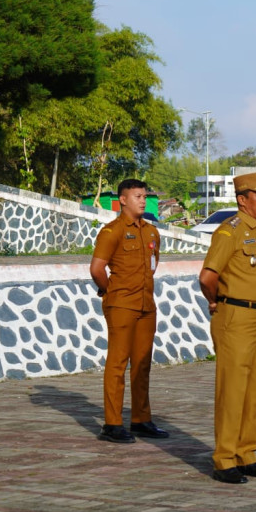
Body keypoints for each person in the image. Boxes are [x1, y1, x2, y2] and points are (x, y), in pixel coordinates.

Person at [198, 172, 256, 484]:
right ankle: (224, 459)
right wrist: (217, 301)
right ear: (242, 199)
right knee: (232, 390)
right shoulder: (230, 231)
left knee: (254, 391)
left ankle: (247, 454)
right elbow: (207, 276)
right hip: (235, 318)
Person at [90, 179, 166, 444]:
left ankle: (141, 419)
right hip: (122, 304)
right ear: (123, 200)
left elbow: (154, 264)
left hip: (146, 304)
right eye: (137, 196)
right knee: (117, 364)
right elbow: (97, 268)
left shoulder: (152, 232)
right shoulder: (112, 231)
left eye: (145, 196)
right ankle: (112, 424)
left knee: (143, 363)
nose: (143, 201)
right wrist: (108, 291)